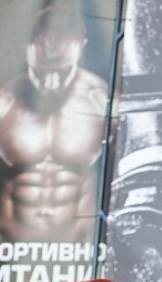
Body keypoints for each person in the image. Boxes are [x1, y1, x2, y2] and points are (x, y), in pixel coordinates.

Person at [0, 3, 108, 243]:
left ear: (80, 49)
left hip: (80, 250)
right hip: (11, 251)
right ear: (27, 51)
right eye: (42, 72)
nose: (50, 84)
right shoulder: (4, 105)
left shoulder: (102, 103)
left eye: (60, 72)